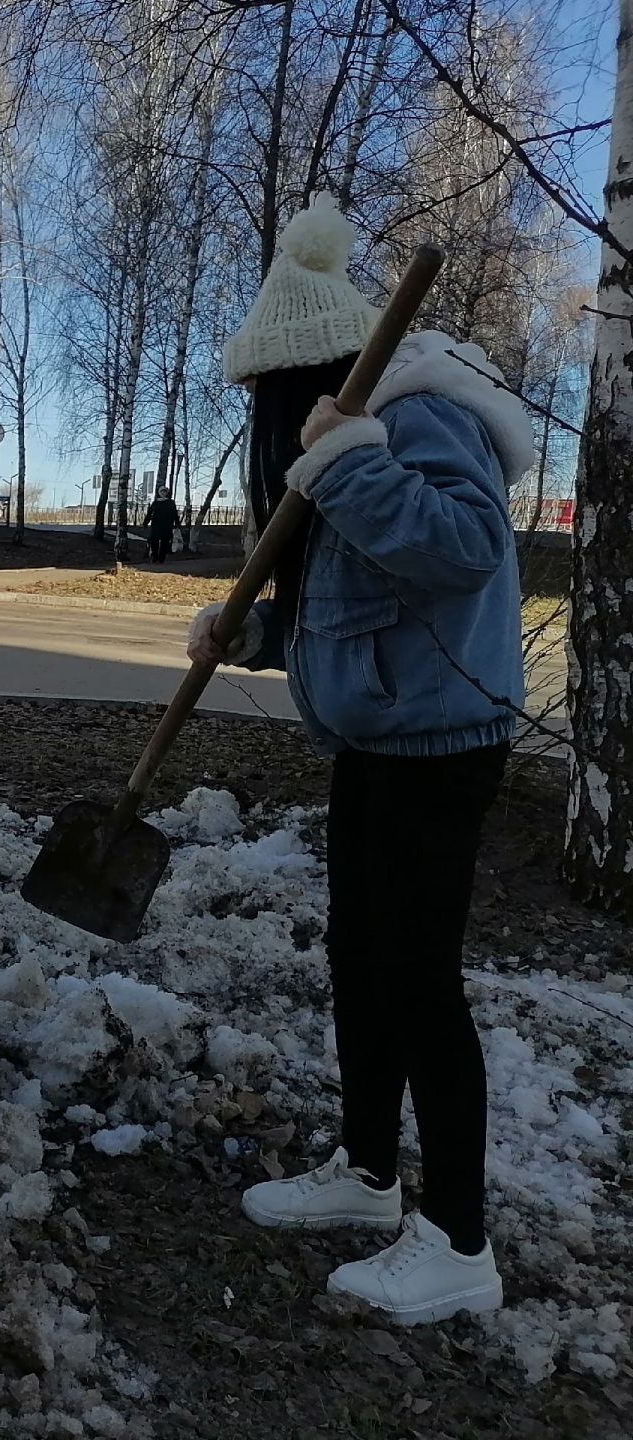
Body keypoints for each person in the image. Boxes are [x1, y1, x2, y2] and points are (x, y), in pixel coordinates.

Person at [190, 194, 531, 1325]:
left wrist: (349, 461)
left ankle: (459, 1242)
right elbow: (355, 601)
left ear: (305, 376)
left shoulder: (419, 413)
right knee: (359, 961)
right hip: (377, 739)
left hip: (444, 740)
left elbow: (466, 551)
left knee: (418, 980)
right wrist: (252, 632)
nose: (264, 421)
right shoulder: (343, 436)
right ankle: (371, 1173)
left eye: (267, 399)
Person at [144, 487, 180, 563]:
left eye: (164, 492)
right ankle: (155, 557)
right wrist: (145, 522)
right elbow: (150, 513)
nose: (163, 493)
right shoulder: (155, 502)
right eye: (161, 491)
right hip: (156, 524)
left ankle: (161, 558)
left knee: (165, 542)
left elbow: (174, 513)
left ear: (166, 493)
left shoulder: (170, 502)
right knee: (154, 541)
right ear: (159, 493)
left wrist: (177, 523)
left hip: (167, 525)